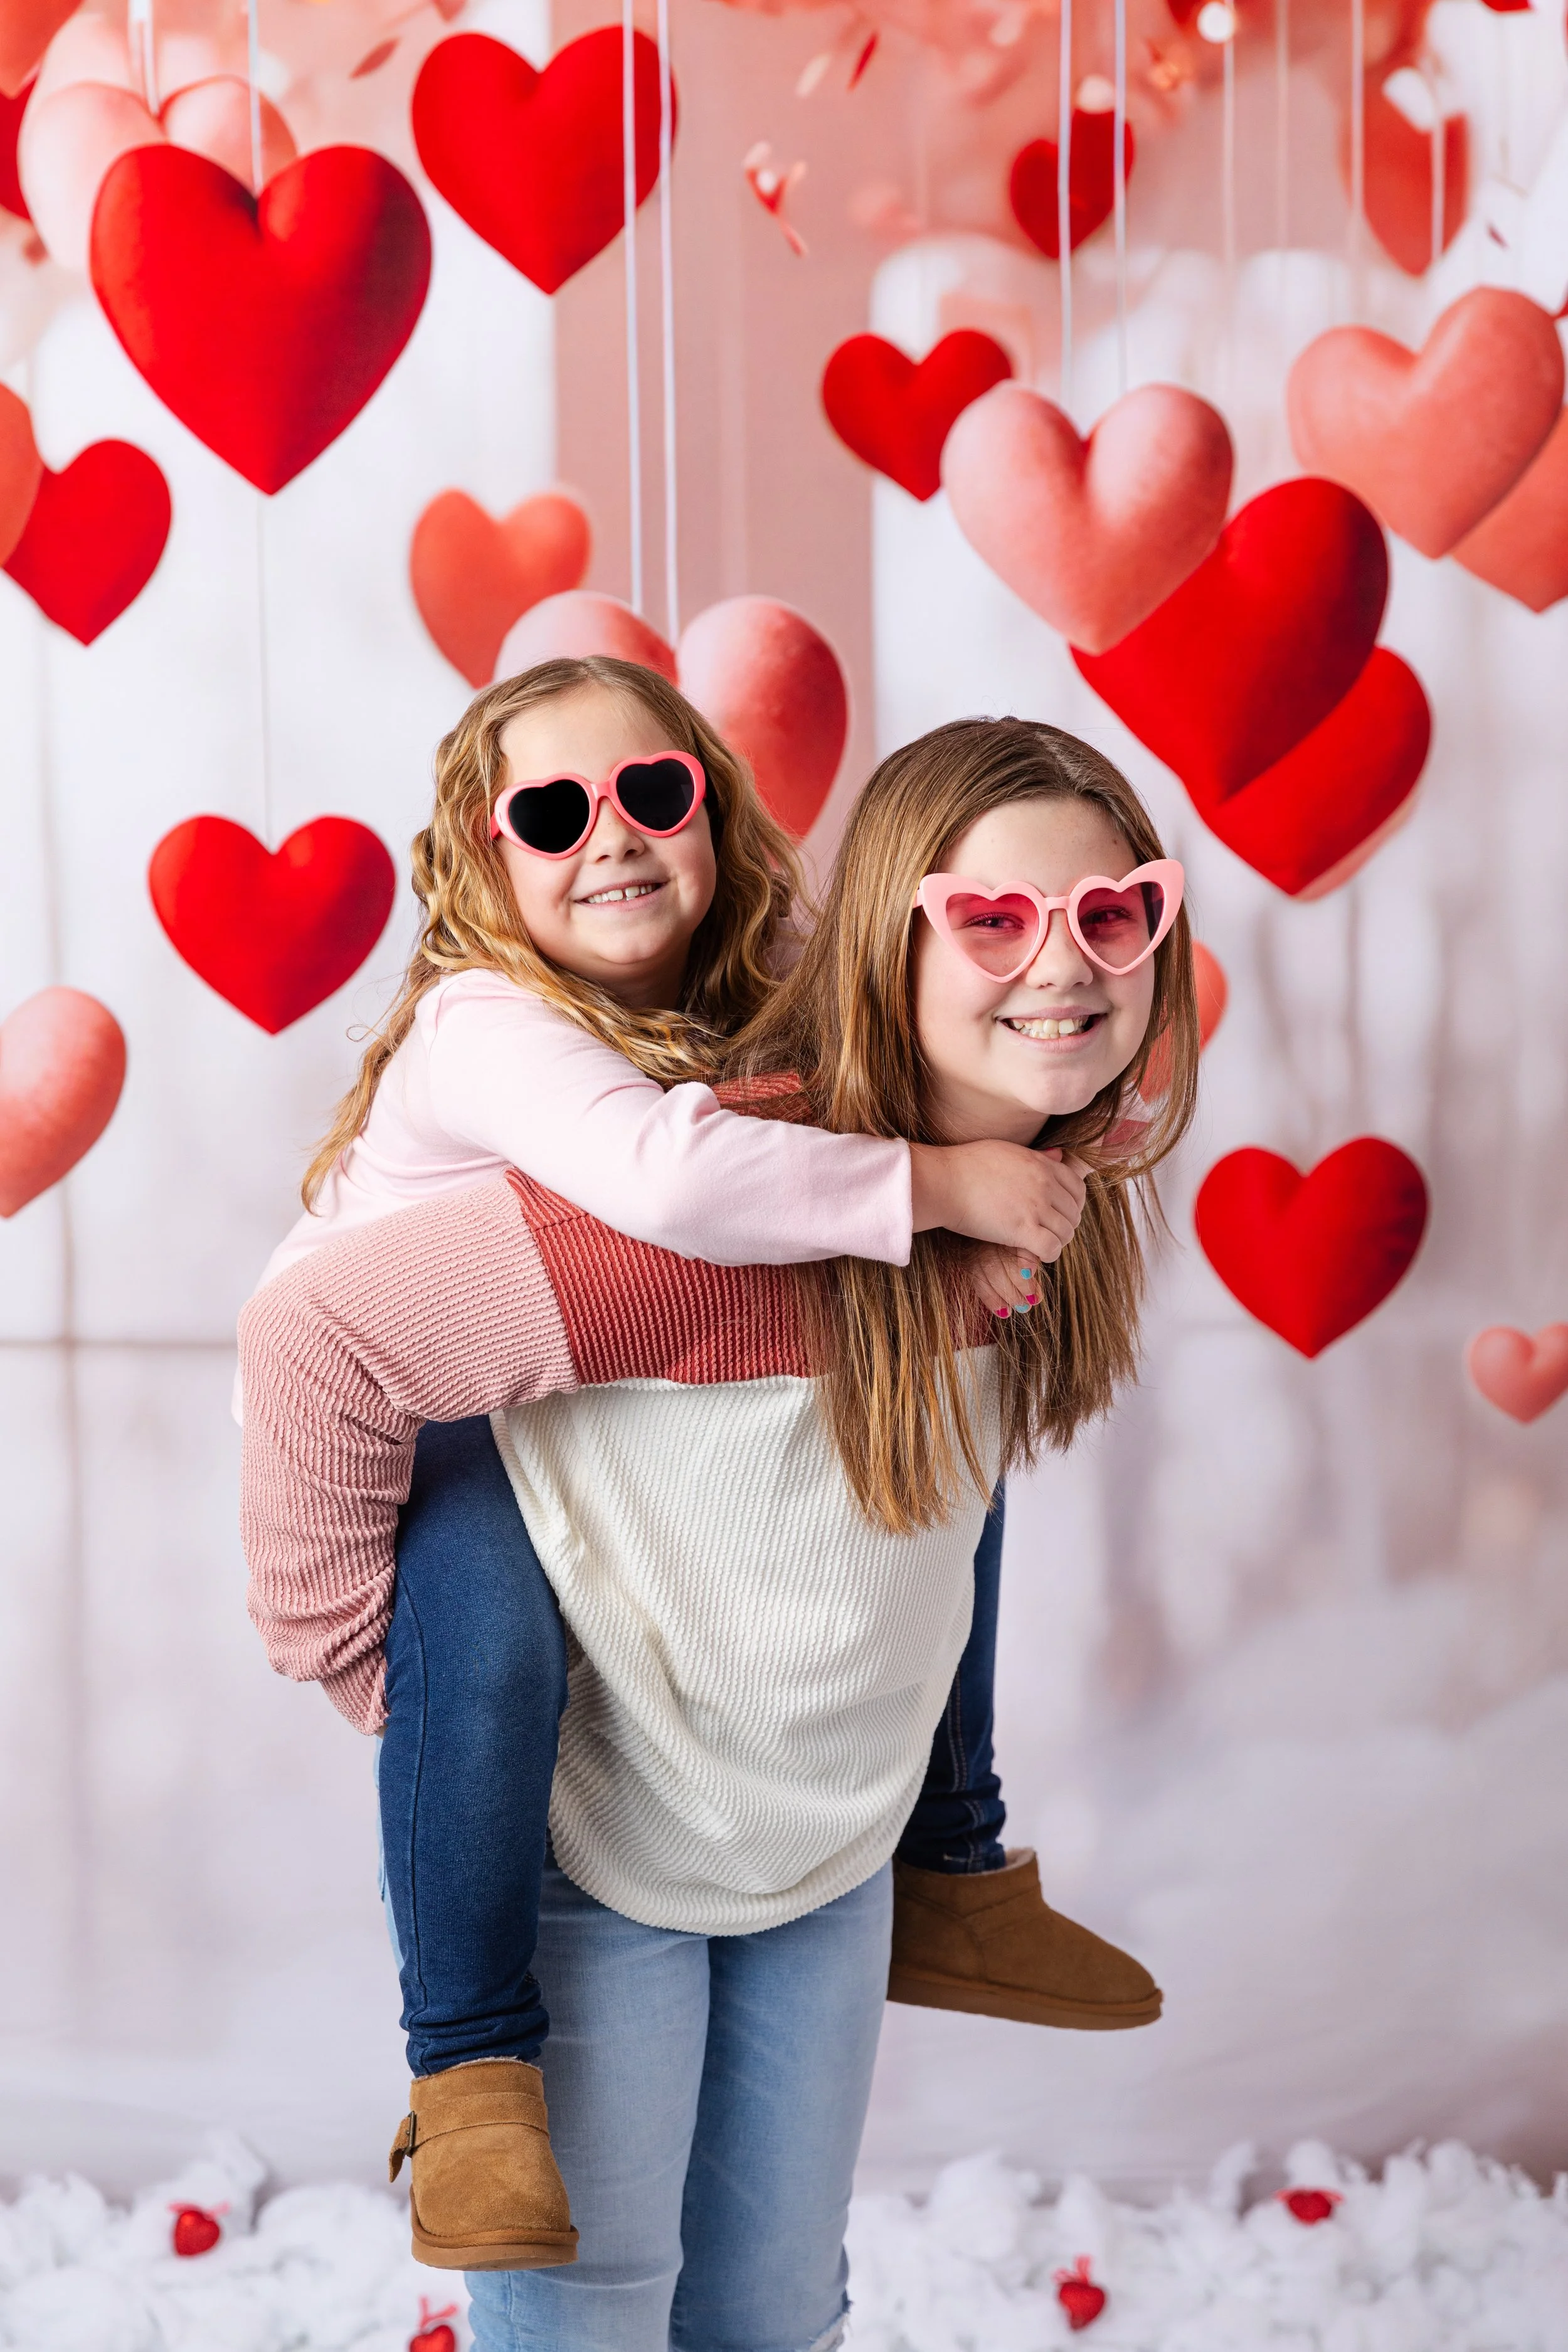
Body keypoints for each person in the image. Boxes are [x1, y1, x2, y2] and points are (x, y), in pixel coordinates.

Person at [238, 714, 1200, 2349]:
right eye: (991, 918)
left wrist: (931, 1825)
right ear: (890, 940)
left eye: (1115, 912)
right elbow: (315, 1340)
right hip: (608, 1847)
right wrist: (354, 1641)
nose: (1064, 962)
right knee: (591, 2312)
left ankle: (959, 1858)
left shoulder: (1051, 1189)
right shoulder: (712, 1216)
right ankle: (459, 2058)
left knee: (769, 2304)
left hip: (820, 1848)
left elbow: (940, 1503)